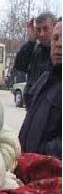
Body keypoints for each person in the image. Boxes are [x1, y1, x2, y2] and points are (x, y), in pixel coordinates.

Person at [18, 17, 61, 159]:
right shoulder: (45, 78)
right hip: (29, 169)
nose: (59, 44)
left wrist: (41, 154)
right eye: (55, 38)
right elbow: (19, 65)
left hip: (50, 174)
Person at [14, 12, 56, 106]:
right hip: (33, 106)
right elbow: (19, 66)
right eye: (38, 29)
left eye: (45, 29)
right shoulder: (35, 49)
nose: (41, 34)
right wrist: (31, 41)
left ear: (55, 28)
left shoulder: (58, 52)